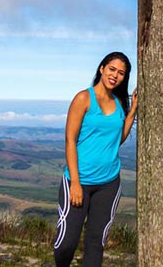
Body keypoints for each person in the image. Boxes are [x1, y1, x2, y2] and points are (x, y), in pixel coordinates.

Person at [53, 52, 138, 267]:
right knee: (66, 243)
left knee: (95, 242)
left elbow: (116, 140)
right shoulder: (83, 98)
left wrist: (132, 111)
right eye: (112, 69)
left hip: (108, 183)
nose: (115, 75)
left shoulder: (119, 102)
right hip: (78, 181)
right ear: (101, 69)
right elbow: (70, 141)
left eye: (121, 73)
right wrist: (75, 183)